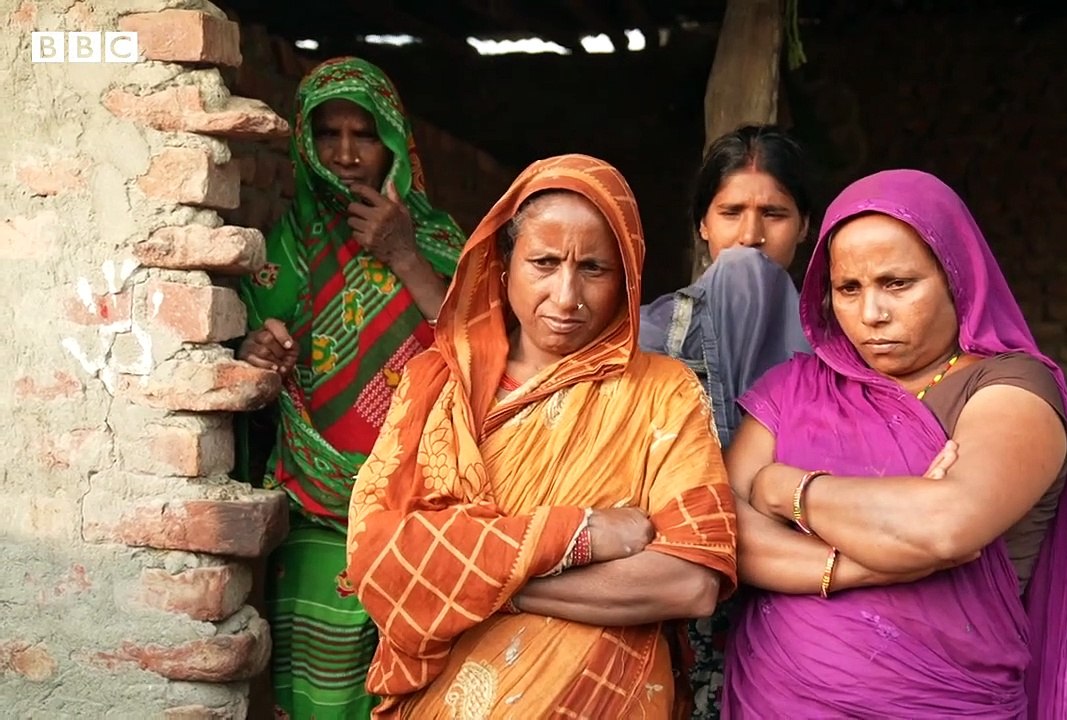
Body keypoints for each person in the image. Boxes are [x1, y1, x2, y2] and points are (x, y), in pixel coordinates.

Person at [344, 154, 737, 719]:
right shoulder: (434, 384)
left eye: (594, 269)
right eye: (544, 262)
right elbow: (379, 560)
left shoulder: (663, 393)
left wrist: (484, 583)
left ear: (627, 275)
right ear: (503, 268)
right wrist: (577, 535)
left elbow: (688, 582)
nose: (567, 295)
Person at [721, 169, 1067, 718]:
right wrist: (867, 565)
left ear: (957, 277)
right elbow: (722, 533)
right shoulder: (794, 388)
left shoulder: (1011, 389)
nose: (871, 315)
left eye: (897, 284)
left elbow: (945, 525)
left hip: (946, 701)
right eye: (848, 290)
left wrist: (782, 489)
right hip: (777, 698)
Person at [234, 57, 467, 718]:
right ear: (304, 143)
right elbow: (249, 376)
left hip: (423, 512)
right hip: (314, 509)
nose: (343, 153)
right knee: (316, 692)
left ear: (393, 138)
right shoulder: (285, 249)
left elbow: (479, 352)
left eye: (362, 134)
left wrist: (403, 254)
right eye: (327, 133)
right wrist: (260, 357)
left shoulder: (441, 240)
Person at [637, 124, 814, 719]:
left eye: (775, 213)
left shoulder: (845, 346)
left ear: (806, 227)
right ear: (702, 225)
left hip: (807, 607)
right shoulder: (651, 337)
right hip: (680, 607)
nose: (751, 236)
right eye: (731, 211)